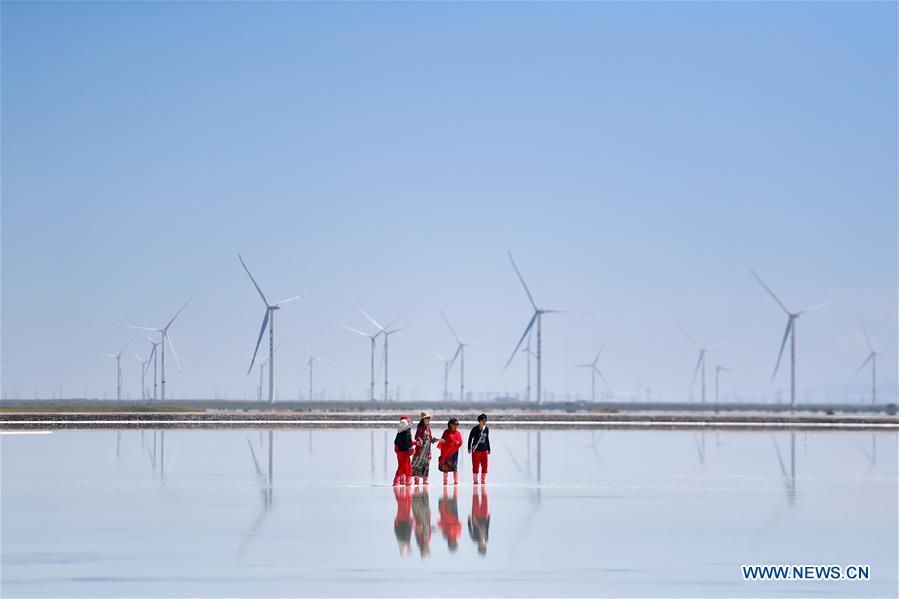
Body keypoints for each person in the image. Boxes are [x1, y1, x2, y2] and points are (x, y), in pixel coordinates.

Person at [437, 417, 463, 485]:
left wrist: (458, 443)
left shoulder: (458, 433)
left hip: (454, 452)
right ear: (450, 424)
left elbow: (460, 442)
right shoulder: (446, 432)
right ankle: (445, 481)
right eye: (455, 424)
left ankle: (456, 481)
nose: (456, 426)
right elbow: (442, 442)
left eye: (457, 424)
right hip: (446, 452)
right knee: (446, 467)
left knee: (454, 467)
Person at [411, 412, 435, 485]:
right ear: (423, 420)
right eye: (426, 419)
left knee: (426, 464)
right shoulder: (420, 427)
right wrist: (419, 440)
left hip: (427, 449)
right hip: (420, 449)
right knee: (417, 463)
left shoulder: (429, 429)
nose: (427, 420)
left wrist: (430, 452)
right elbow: (417, 436)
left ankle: (425, 480)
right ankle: (416, 480)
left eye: (428, 419)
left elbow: (430, 440)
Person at [468, 413, 491, 484]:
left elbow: (487, 439)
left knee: (485, 465)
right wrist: (469, 448)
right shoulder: (475, 429)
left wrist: (489, 449)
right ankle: (475, 480)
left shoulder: (486, 429)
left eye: (485, 420)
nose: (484, 422)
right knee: (475, 465)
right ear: (480, 421)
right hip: (476, 450)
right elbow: (470, 438)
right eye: (483, 420)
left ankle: (483, 480)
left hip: (484, 450)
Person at [468, 486, 490, 555]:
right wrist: (489, 519)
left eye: (481, 547)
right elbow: (487, 528)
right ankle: (483, 488)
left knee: (475, 500)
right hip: (484, 518)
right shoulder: (486, 539)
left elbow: (470, 529)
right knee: (485, 500)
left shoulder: (474, 538)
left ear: (479, 547)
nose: (482, 546)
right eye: (483, 547)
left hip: (476, 518)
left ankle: (475, 488)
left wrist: (469, 520)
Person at [393, 415, 414, 487]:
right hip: (405, 452)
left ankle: (397, 480)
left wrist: (397, 451)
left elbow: (396, 443)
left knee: (401, 466)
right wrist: (411, 449)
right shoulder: (407, 433)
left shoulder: (399, 433)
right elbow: (409, 443)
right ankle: (408, 481)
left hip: (399, 453)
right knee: (407, 466)